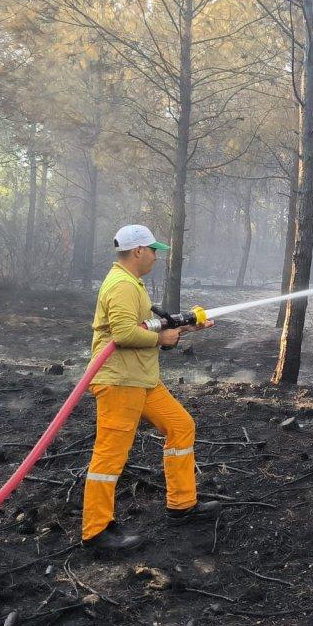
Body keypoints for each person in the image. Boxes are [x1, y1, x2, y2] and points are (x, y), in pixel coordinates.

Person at [81, 224, 219, 553]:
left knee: (180, 426)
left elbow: (146, 329)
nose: (156, 256)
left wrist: (181, 330)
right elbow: (124, 335)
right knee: (110, 455)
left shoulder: (134, 284)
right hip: (119, 382)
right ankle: (96, 531)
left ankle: (182, 506)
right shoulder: (122, 285)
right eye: (153, 250)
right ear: (138, 251)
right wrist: (160, 338)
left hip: (141, 379)